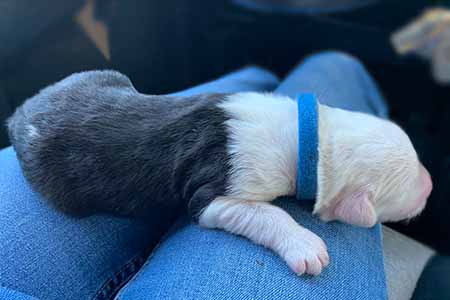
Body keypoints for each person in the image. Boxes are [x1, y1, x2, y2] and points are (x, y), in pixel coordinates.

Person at [0, 51, 415, 300]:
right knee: (334, 67)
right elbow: (212, 206)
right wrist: (283, 229)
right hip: (55, 163)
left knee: (236, 86)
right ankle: (266, 71)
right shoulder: (247, 164)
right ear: (349, 205)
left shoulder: (258, 117)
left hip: (71, 106)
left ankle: (259, 72)